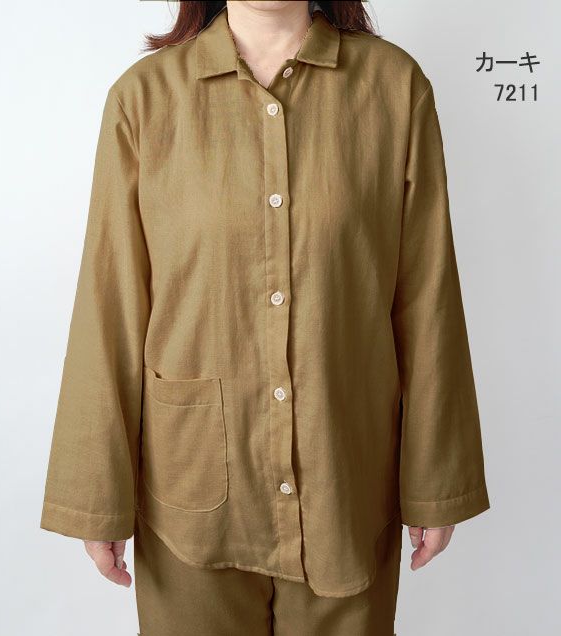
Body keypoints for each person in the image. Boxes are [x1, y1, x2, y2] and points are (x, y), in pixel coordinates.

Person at [40, 1, 491, 634]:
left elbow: (426, 296)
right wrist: (97, 496)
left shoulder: (394, 88)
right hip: (189, 497)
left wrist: (435, 480)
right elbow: (109, 303)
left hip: (346, 482)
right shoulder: (144, 100)